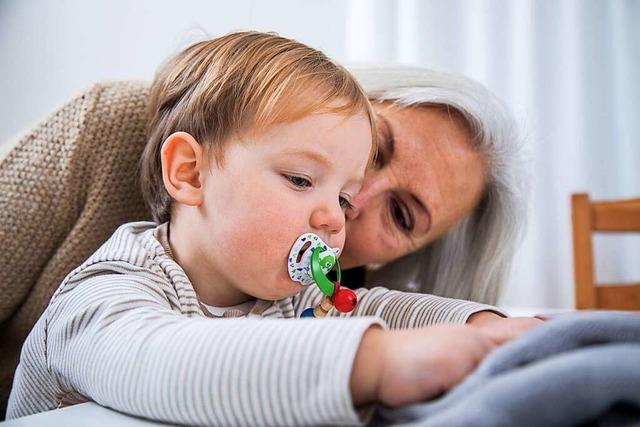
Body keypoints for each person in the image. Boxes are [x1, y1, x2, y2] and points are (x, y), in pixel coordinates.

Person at [6, 32, 525, 425]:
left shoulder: (286, 296)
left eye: (342, 197)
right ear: (190, 172)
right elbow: (159, 358)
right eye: (301, 179)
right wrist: (375, 362)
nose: (338, 215)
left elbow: (370, 306)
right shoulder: (108, 291)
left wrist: (480, 326)